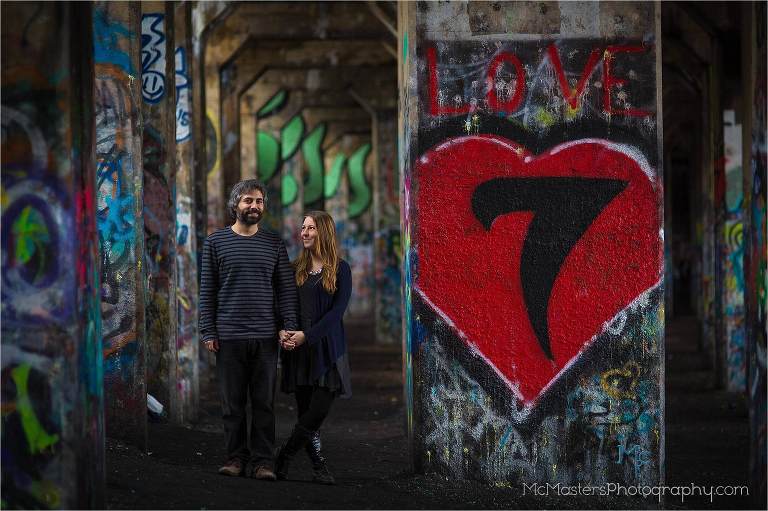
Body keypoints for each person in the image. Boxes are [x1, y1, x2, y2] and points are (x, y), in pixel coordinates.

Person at [198, 179, 299, 481]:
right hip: (228, 336)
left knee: (264, 404)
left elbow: (285, 290)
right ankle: (235, 458)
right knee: (232, 405)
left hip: (266, 337)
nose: (253, 206)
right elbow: (208, 290)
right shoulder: (215, 243)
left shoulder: (274, 244)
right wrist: (208, 330)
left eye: (259, 201)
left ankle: (263, 463)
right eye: (247, 201)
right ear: (235, 205)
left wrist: (289, 326)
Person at [276, 211, 352, 485]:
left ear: (324, 232)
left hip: (328, 348)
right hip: (298, 351)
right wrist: (283, 330)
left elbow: (336, 313)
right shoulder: (294, 268)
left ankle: (284, 454)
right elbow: (284, 307)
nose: (304, 232)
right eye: (303, 228)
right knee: (306, 414)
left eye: (310, 228)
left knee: (317, 411)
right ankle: (319, 466)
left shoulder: (340, 269)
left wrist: (307, 336)